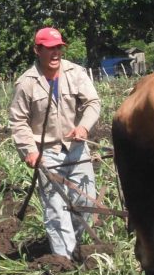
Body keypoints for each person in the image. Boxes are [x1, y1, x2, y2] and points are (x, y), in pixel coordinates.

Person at [9, 26, 101, 260]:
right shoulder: (27, 82)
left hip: (77, 148)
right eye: (50, 49)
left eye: (58, 47)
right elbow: (18, 120)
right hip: (48, 153)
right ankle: (65, 261)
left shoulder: (76, 72)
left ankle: (77, 248)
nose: (56, 53)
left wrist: (83, 127)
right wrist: (30, 150)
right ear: (37, 50)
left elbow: (93, 103)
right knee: (56, 210)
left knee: (85, 202)